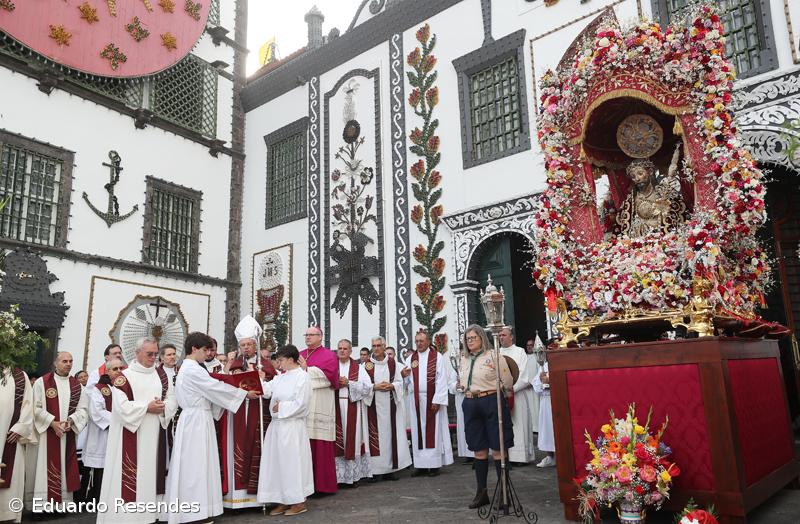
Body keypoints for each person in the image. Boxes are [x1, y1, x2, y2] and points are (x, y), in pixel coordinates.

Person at [163, 332, 258, 524]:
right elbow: (215, 388)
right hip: (196, 420)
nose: (207, 353)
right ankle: (194, 514)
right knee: (195, 466)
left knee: (195, 464)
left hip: (194, 418)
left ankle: (194, 510)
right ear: (194, 349)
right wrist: (243, 394)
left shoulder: (188, 368)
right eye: (205, 350)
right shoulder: (193, 370)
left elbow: (211, 388)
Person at [97, 337, 178, 524]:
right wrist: (146, 407)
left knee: (149, 475)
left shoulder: (161, 375)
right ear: (137, 352)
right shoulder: (124, 377)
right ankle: (123, 518)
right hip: (131, 436)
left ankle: (148, 516)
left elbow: (173, 397)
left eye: (155, 354)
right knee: (130, 479)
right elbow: (121, 407)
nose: (153, 357)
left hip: (155, 435)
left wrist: (164, 406)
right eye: (149, 354)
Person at [220, 316, 277, 509]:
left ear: (255, 345)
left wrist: (263, 378)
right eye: (242, 344)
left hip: (258, 411)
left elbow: (273, 386)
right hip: (238, 412)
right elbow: (226, 383)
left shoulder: (266, 366)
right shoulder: (235, 364)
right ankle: (237, 499)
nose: (245, 348)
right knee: (239, 445)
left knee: (257, 448)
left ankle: (258, 497)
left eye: (249, 344)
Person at [459, 325, 514, 509]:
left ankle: (503, 493)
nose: (470, 341)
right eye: (468, 338)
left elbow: (507, 380)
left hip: (491, 400)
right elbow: (461, 380)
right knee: (478, 448)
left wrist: (498, 391)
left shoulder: (493, 355)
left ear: (482, 338)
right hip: (470, 403)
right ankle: (481, 492)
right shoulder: (464, 359)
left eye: (474, 337)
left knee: (498, 447)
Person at [26, 352, 88, 508]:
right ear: (55, 363)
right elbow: (35, 407)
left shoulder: (77, 386)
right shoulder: (42, 382)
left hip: (67, 436)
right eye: (64, 361)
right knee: (42, 469)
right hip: (47, 435)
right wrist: (52, 422)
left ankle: (61, 506)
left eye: (71, 361)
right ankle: (40, 506)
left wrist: (70, 421)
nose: (68, 364)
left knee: (65, 468)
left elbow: (84, 410)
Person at [257, 345, 313, 516]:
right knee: (277, 464)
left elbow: (302, 404)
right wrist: (260, 379)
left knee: (292, 464)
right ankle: (282, 499)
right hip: (277, 427)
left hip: (292, 427)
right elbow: (267, 392)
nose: (278, 364)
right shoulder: (281, 377)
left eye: (281, 360)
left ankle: (297, 501)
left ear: (290, 359)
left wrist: (281, 406)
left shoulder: (302, 377)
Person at [403, 330, 452, 477]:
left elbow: (442, 379)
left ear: (428, 341)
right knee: (418, 431)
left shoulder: (436, 357)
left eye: (421, 341)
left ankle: (434, 464)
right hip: (416, 400)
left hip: (432, 399)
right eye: (416, 341)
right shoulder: (411, 358)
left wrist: (437, 399)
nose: (419, 343)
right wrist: (404, 376)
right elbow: (407, 381)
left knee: (433, 431)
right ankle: (421, 465)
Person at [363, 336, 411, 480]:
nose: (376, 348)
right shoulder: (365, 366)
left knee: (391, 437)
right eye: (374, 346)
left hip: (390, 406)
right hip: (373, 405)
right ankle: (376, 470)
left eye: (379, 345)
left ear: (384, 347)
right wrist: (375, 387)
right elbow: (362, 385)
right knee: (375, 437)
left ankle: (390, 469)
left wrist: (392, 386)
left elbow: (399, 382)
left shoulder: (393, 364)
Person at [299, 326, 339, 494]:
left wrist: (306, 369)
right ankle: (305, 486)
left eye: (311, 335)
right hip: (304, 406)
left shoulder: (329, 355)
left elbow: (329, 377)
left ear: (320, 337)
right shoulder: (299, 354)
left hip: (321, 402)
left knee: (320, 445)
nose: (307, 337)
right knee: (303, 445)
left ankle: (323, 486)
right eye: (306, 334)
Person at [82, 359, 124, 503]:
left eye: (120, 368)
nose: (118, 371)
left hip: (117, 434)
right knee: (99, 468)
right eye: (114, 368)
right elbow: (96, 412)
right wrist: (118, 420)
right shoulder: (97, 388)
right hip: (102, 434)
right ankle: (93, 499)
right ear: (107, 371)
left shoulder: (122, 388)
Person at [334, 339, 372, 486]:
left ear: (350, 351)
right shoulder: (333, 366)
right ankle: (338, 477)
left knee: (352, 440)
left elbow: (368, 387)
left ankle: (352, 477)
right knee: (336, 440)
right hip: (335, 406)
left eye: (345, 348)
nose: (342, 351)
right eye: (340, 348)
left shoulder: (358, 368)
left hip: (353, 407)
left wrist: (348, 383)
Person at [0, 362, 34, 523]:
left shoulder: (20, 376)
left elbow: (29, 405)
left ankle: (7, 516)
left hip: (10, 438)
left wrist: (20, 427)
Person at [498, 327, 535, 465]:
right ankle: (504, 455)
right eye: (500, 335)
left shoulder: (520, 352)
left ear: (511, 337)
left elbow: (524, 375)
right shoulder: (497, 352)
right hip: (500, 395)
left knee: (519, 424)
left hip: (517, 394)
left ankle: (520, 457)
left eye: (504, 335)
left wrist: (510, 389)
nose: (501, 337)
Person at [448, 345, 473, 461]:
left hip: (472, 398)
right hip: (460, 399)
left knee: (473, 425)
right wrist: (456, 385)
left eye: (464, 355)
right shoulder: (456, 368)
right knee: (463, 425)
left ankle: (475, 453)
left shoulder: (473, 365)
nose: (462, 357)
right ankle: (467, 453)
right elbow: (450, 385)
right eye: (461, 355)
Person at [533, 356, 555, 468]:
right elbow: (535, 384)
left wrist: (551, 381)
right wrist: (542, 382)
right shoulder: (544, 365)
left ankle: (562, 457)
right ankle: (550, 457)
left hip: (558, 398)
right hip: (546, 400)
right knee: (547, 429)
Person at [525, 337, 542, 434]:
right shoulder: (524, 357)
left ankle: (537, 428)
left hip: (534, 388)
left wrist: (533, 383)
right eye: (528, 345)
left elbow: (540, 372)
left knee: (536, 408)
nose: (529, 347)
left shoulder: (538, 357)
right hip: (525, 388)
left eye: (531, 345)